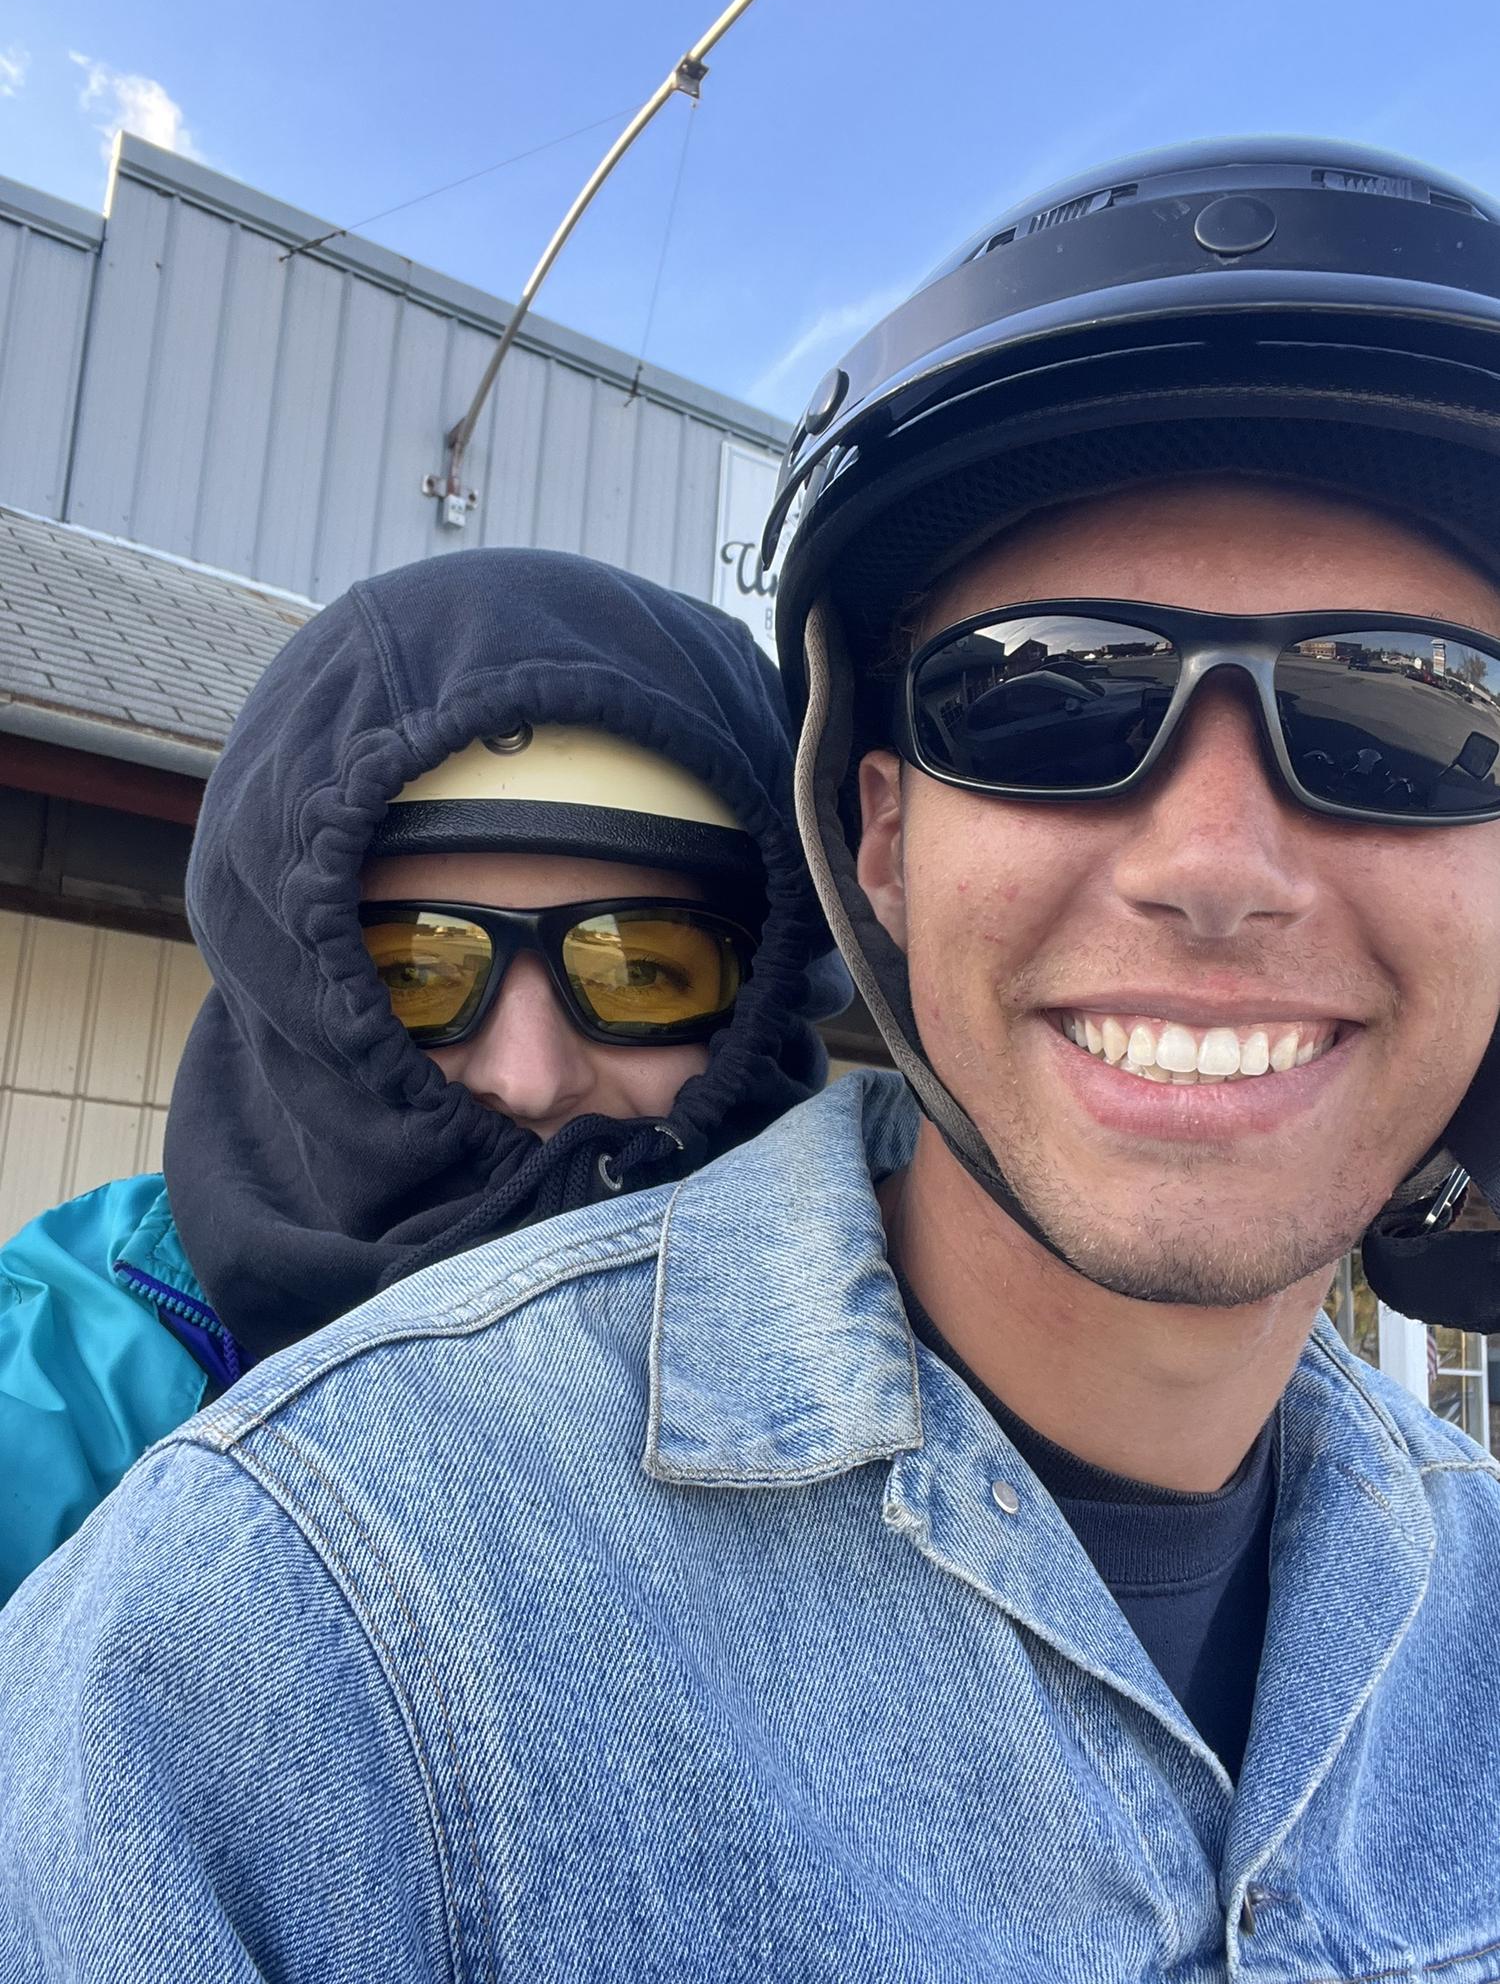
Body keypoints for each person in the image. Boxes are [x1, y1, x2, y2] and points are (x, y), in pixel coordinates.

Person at [7, 136, 1500, 1979]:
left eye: (1403, 711)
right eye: (1047, 692)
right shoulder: (268, 1632)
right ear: (876, 838)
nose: (1215, 864)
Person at [0, 546, 843, 1602]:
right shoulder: (70, 1366)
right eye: (416, 970)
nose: (532, 1077)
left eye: (640, 966)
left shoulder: (915, 1377)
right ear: (298, 992)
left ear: (764, 998)